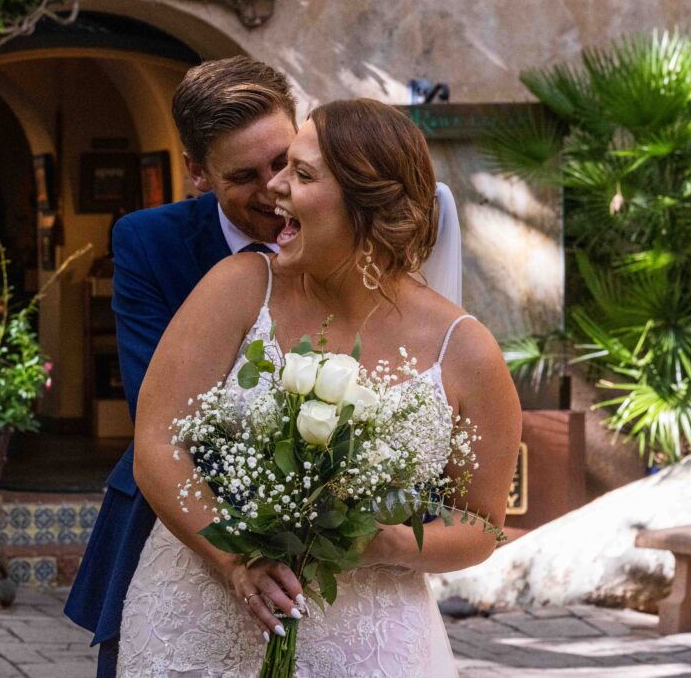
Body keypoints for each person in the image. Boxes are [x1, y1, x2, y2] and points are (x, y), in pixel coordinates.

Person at [116, 98, 523, 676]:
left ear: (368, 205)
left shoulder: (466, 351)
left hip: (371, 638)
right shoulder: (237, 286)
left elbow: (481, 524)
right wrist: (237, 562)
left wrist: (383, 543)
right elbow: (156, 444)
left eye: (301, 174)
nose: (274, 188)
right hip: (198, 618)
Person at [64, 56, 298, 678]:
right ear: (198, 173)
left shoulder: (344, 227)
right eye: (244, 176)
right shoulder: (148, 242)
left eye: (283, 162)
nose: (274, 189)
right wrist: (236, 551)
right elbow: (160, 413)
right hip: (174, 521)